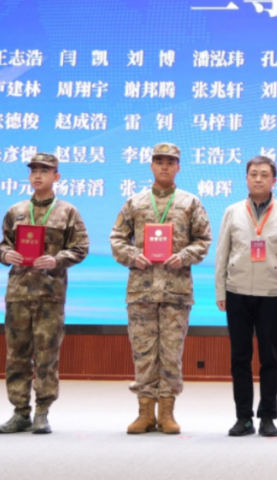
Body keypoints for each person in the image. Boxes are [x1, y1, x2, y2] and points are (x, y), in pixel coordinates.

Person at [110, 143, 212, 435]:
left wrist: (185, 255)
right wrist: (132, 256)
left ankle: (167, 412)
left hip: (175, 290)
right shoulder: (135, 202)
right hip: (141, 289)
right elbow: (117, 238)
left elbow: (203, 239)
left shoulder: (190, 203)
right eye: (159, 161)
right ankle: (144, 413)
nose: (164, 166)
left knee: (170, 352)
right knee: (143, 352)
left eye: (170, 162)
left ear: (178, 167)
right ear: (151, 165)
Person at [0, 153, 89, 435]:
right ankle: (20, 412)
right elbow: (2, 246)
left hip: (50, 294)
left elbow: (80, 248)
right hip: (18, 293)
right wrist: (6, 254)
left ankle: (42, 412)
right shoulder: (16, 210)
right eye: (34, 170)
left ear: (56, 177)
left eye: (44, 171)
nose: (37, 175)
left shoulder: (67, 211)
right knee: (17, 355)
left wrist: (56, 260)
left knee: (47, 355)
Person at [215, 156, 277, 437]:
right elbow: (222, 253)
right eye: (253, 174)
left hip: (271, 293)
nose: (258, 179)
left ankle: (267, 417)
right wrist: (220, 290)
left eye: (264, 174)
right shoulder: (232, 211)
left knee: (269, 358)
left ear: (274, 180)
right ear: (246, 178)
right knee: (239, 358)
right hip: (236, 291)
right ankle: (243, 417)